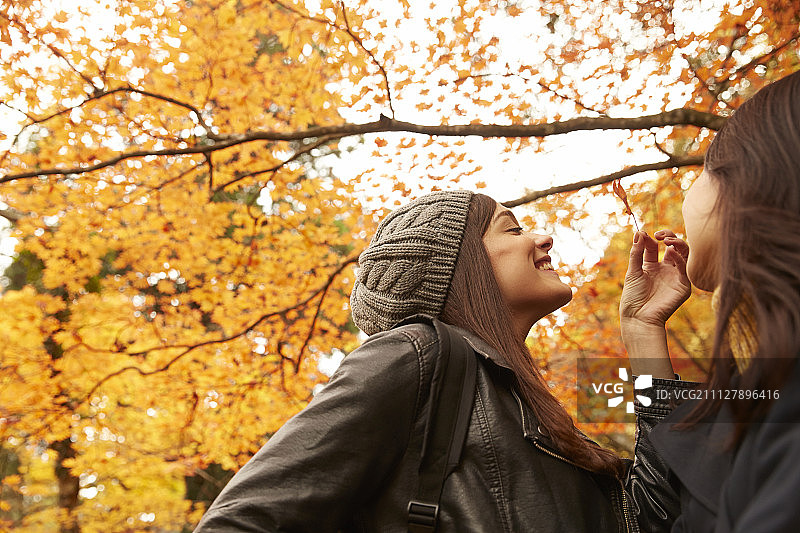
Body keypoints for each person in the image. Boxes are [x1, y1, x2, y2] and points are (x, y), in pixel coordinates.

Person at [195, 189, 691, 532]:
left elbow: (655, 518)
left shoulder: (529, 410)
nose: (542, 238)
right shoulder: (417, 355)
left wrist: (643, 330)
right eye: (512, 229)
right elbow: (242, 520)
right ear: (461, 264)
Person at [620, 69, 800, 532]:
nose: (688, 192)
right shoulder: (762, 389)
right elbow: (666, 517)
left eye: (703, 171)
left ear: (753, 184)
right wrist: (642, 330)